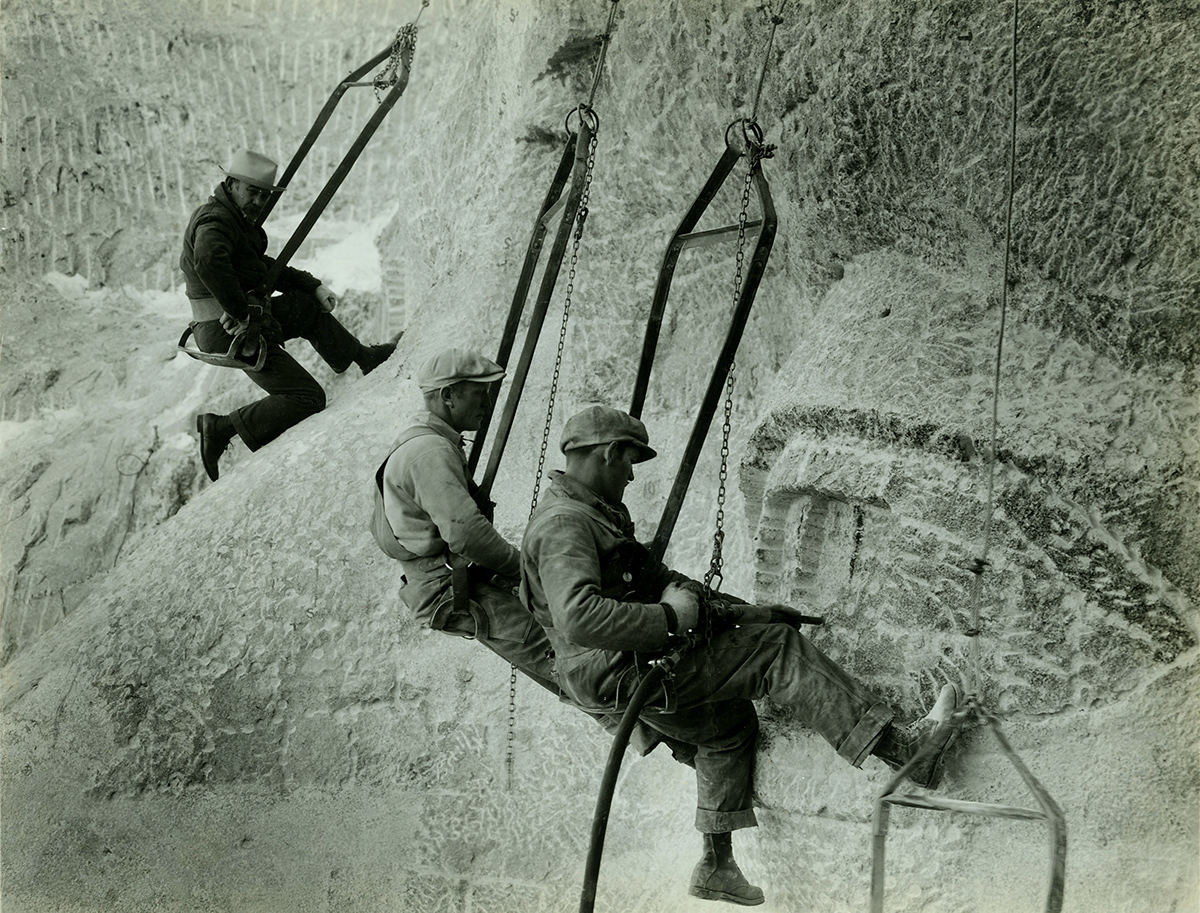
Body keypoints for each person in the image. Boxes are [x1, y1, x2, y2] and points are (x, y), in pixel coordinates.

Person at [520, 404, 962, 907]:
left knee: (726, 728)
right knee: (775, 652)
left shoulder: (592, 514)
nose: (629, 474)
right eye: (628, 463)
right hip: (621, 669)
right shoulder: (565, 524)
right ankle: (905, 750)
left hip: (617, 669)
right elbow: (581, 617)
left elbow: (661, 582)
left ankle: (716, 864)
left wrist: (750, 614)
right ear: (609, 452)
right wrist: (672, 621)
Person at [372, 348, 695, 762]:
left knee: (565, 648)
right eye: (478, 394)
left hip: (454, 578)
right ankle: (668, 737)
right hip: (451, 586)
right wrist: (526, 569)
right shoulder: (428, 452)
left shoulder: (423, 442)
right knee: (563, 651)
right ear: (448, 395)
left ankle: (654, 732)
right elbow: (466, 533)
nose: (486, 405)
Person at [181, 148, 397, 481]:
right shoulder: (215, 220)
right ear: (231, 183)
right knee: (307, 397)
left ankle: (363, 357)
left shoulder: (235, 220)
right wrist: (239, 313)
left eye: (263, 195)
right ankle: (220, 427)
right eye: (252, 191)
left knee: (303, 306)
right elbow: (208, 261)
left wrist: (313, 286)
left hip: (239, 321)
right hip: (224, 330)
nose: (257, 201)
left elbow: (261, 268)